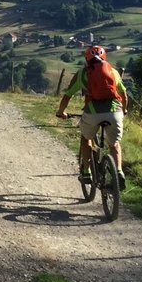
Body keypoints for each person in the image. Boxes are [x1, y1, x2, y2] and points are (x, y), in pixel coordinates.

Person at [55, 44, 129, 190]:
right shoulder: (113, 71)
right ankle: (119, 171)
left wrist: (61, 112)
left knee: (86, 137)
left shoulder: (83, 73)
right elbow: (124, 95)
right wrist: (124, 110)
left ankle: (87, 171)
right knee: (114, 143)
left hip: (93, 113)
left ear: (86, 59)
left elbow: (67, 96)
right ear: (104, 57)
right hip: (115, 112)